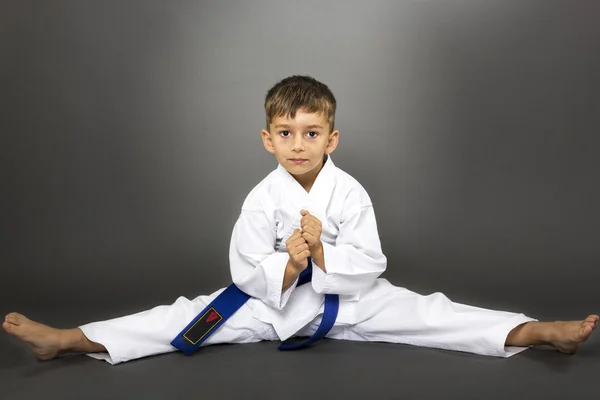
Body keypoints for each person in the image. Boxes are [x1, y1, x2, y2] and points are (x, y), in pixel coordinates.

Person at [3, 75, 598, 365]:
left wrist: (321, 257)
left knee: (434, 313)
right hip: (275, 305)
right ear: (267, 140)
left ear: (331, 137)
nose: (298, 144)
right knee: (181, 317)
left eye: (311, 133)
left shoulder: (351, 191)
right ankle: (69, 340)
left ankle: (537, 331)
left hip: (355, 300)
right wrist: (287, 263)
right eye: (285, 134)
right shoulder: (261, 199)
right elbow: (241, 267)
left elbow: (371, 262)